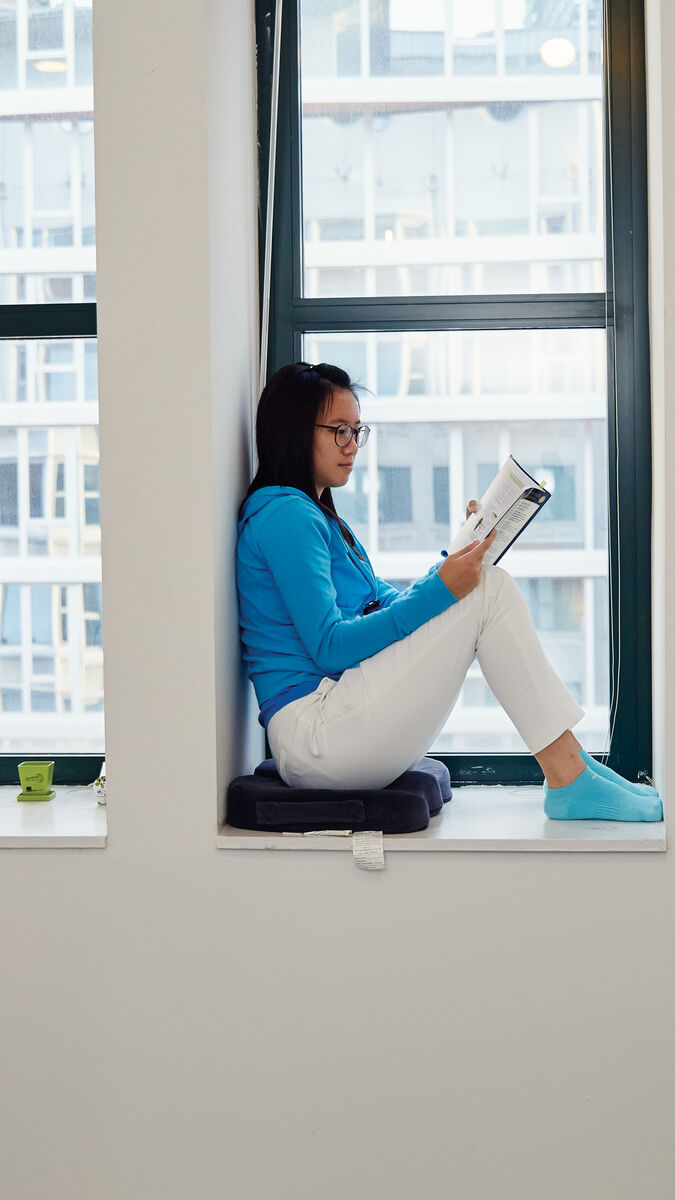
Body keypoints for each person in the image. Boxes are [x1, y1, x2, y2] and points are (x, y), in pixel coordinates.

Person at [236, 362, 662, 822]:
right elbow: (330, 647)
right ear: (297, 431)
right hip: (315, 734)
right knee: (488, 593)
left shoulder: (317, 517)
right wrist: (446, 589)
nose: (353, 446)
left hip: (334, 722)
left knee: (481, 589)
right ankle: (568, 776)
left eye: (359, 431)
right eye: (340, 431)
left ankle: (575, 769)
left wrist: (459, 558)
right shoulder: (287, 517)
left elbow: (389, 607)